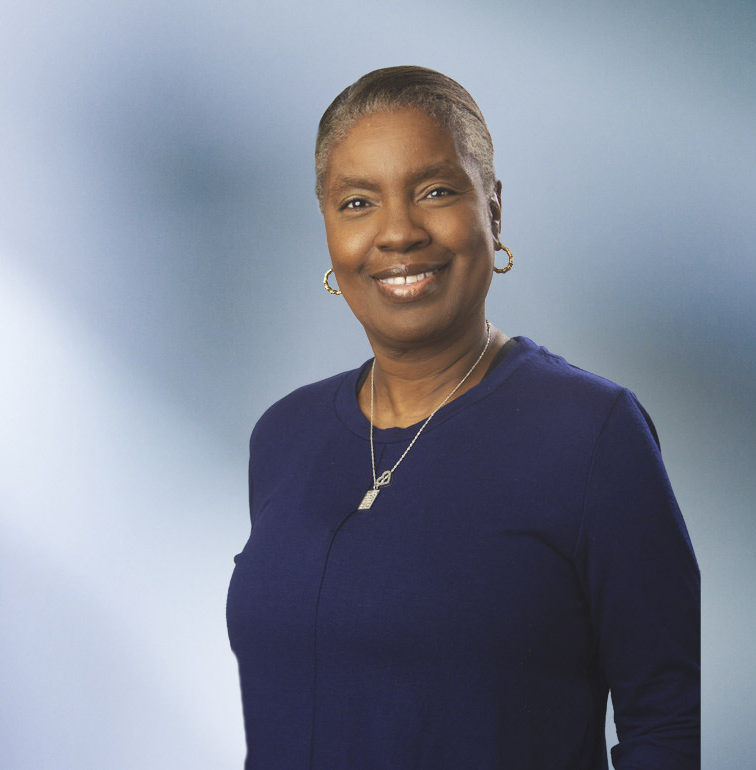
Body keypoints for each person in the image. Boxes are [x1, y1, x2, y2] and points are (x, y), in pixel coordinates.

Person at [225, 66, 701, 769]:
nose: (397, 232)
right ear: (327, 229)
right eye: (357, 202)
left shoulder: (589, 434)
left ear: (493, 209)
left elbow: (666, 726)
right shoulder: (285, 437)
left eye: (436, 192)